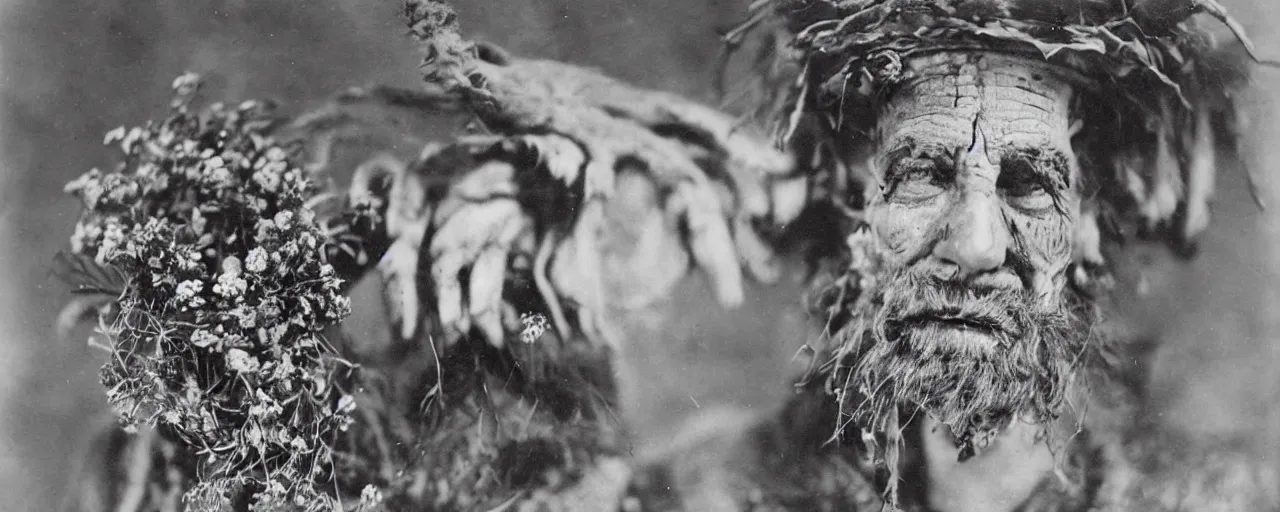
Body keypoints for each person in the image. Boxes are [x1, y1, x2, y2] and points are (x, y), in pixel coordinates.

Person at [63, 0, 1276, 510]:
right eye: (919, 174)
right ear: (847, 202)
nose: (970, 240)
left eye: (1026, 185)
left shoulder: (1218, 502)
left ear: (1087, 233)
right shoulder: (704, 493)